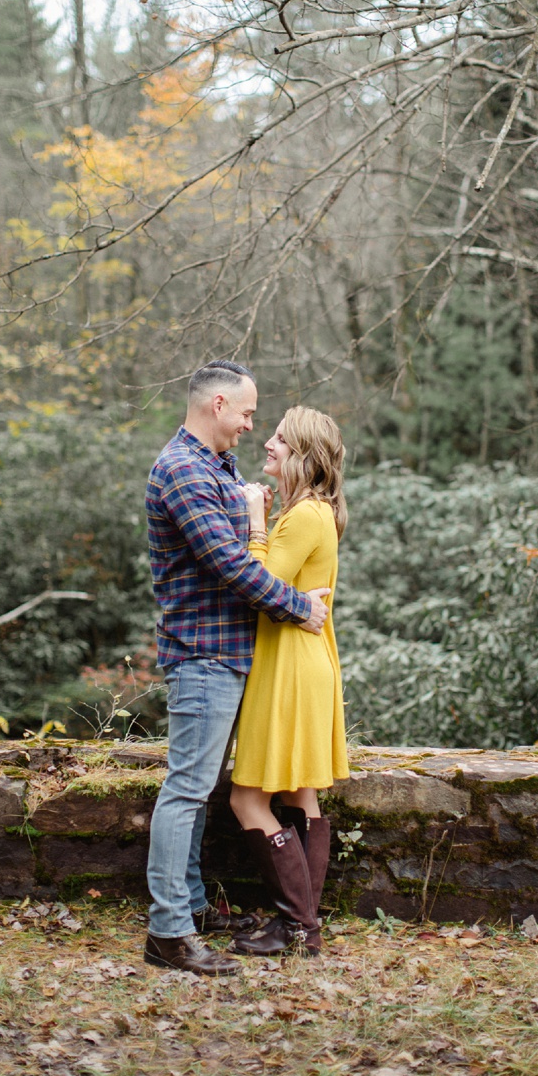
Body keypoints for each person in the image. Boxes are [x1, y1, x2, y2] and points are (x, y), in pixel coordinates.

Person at [143, 360, 331, 977]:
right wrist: (299, 606)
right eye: (248, 413)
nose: (253, 426)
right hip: (203, 654)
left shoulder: (218, 469)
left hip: (234, 654)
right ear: (217, 404)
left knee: (200, 793)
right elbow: (232, 565)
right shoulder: (182, 471)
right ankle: (168, 932)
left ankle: (192, 906)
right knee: (186, 791)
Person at [226, 406, 351, 958]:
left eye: (279, 437)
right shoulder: (313, 511)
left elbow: (260, 583)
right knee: (302, 794)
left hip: (290, 668)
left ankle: (299, 927)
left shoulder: (301, 516)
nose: (268, 443)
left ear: (302, 454)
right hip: (304, 658)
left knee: (247, 799)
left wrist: (255, 519)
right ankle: (302, 928)